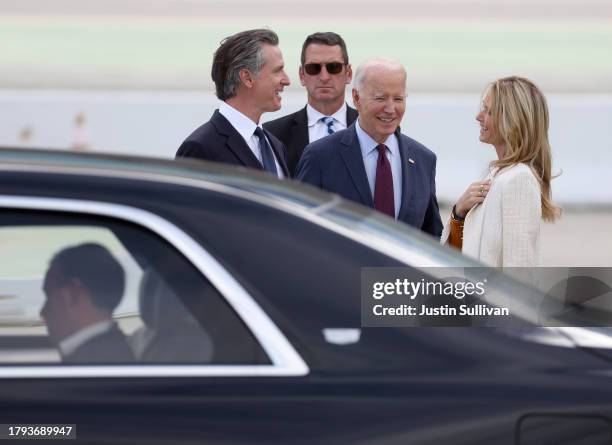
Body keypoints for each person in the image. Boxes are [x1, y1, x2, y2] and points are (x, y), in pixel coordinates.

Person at [295, 58, 443, 237]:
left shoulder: (423, 159)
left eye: (398, 99)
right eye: (380, 98)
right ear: (357, 98)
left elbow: (430, 235)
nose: (390, 109)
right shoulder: (320, 157)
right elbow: (300, 232)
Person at [442, 76, 561, 267]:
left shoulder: (519, 179)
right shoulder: (498, 174)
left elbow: (519, 269)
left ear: (512, 121)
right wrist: (459, 213)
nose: (478, 116)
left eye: (488, 111)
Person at [176, 29, 291, 178]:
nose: (287, 80)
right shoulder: (201, 147)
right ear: (247, 78)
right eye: (277, 71)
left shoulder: (275, 145)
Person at [264, 32, 358, 176]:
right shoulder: (272, 135)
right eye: (314, 68)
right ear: (302, 75)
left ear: (348, 73)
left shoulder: (371, 128)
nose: (324, 77)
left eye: (334, 67)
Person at [40, 243, 135, 363]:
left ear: (73, 293)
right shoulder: (114, 352)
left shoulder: (92, 363)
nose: (42, 312)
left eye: (50, 296)